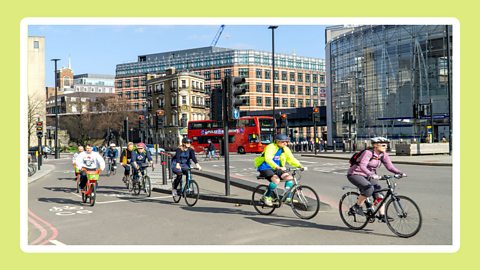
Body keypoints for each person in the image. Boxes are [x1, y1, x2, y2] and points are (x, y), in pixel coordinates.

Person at [347, 136, 407, 223]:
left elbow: (390, 167)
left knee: (379, 194)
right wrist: (371, 174)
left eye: (386, 145)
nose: (385, 147)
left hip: (369, 175)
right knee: (369, 189)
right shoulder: (368, 153)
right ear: (375, 145)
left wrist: (399, 172)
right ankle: (356, 207)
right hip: (355, 174)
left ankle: (382, 215)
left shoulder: (383, 154)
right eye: (383, 145)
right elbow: (362, 166)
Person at [254, 134, 304, 206]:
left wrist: (300, 165)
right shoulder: (270, 147)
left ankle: (287, 197)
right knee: (276, 180)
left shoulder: (285, 149)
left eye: (286, 142)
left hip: (277, 167)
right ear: (277, 141)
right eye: (283, 142)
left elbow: (291, 159)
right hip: (265, 167)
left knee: (289, 178)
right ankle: (266, 197)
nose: (285, 143)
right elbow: (268, 159)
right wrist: (277, 167)